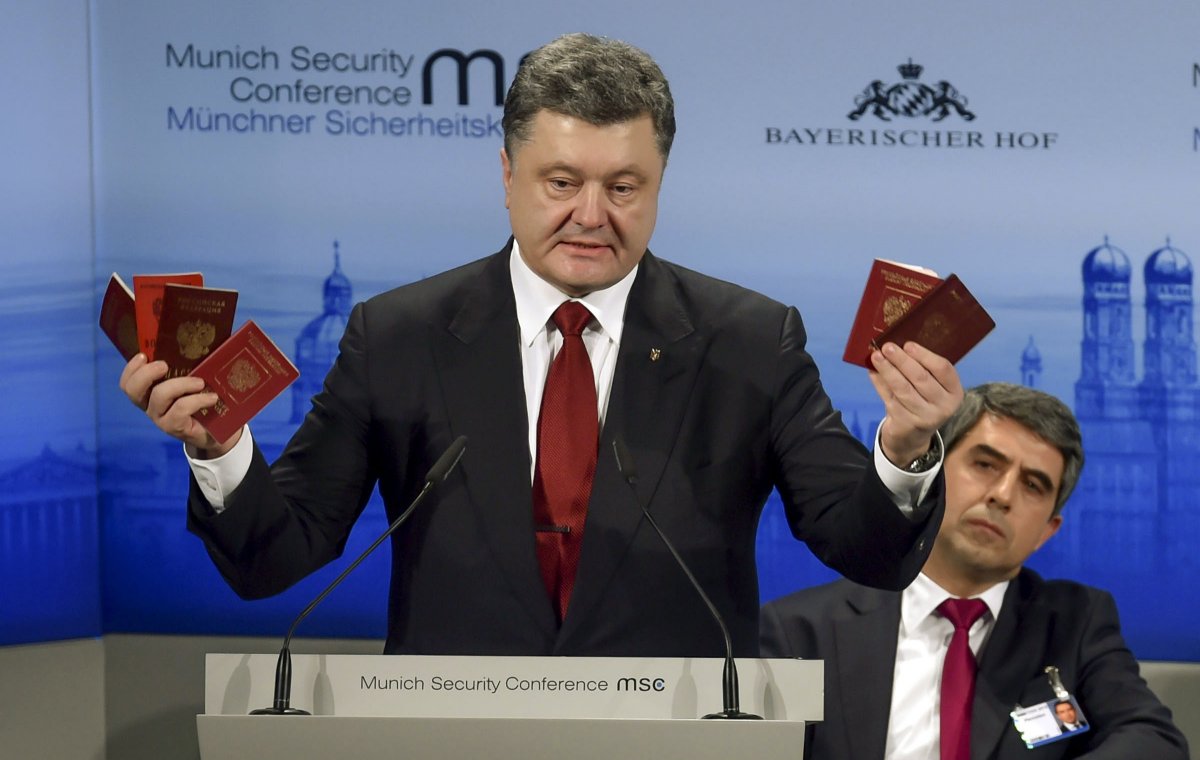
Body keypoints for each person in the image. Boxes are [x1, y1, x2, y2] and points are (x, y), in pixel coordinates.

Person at [119, 33, 963, 657]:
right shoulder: (399, 336)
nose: (591, 216)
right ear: (507, 176)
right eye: (562, 182)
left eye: (623, 187)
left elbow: (866, 552)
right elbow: (275, 557)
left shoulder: (750, 340)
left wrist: (904, 447)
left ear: (660, 185)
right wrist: (219, 446)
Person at [761, 383, 1193, 760]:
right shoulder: (800, 632)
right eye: (985, 464)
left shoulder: (1074, 624)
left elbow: (1156, 746)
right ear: (936, 476)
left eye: (1033, 485)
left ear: (1047, 532)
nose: (1003, 495)